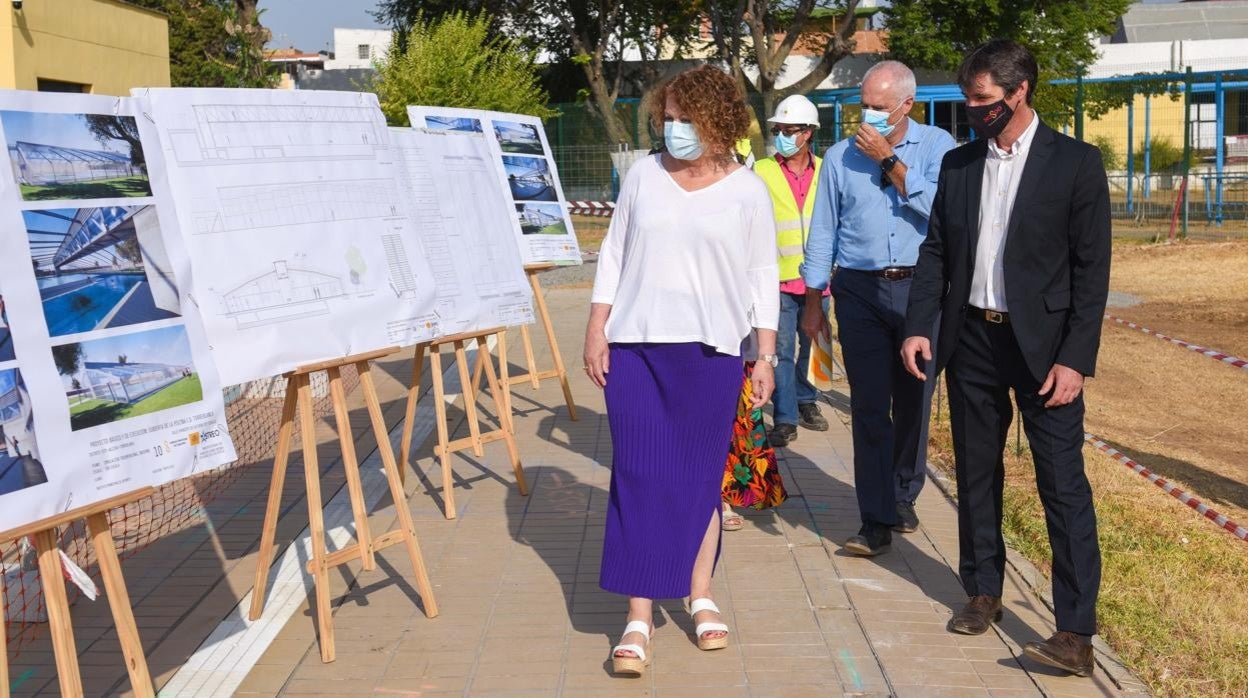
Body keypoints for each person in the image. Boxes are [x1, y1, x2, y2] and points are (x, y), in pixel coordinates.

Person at [900, 39, 1111, 677]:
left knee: (1062, 487)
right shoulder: (962, 166)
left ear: (1019, 93)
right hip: (973, 344)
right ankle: (982, 591)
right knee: (976, 475)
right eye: (968, 99)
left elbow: (1090, 271)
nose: (973, 110)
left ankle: (1074, 633)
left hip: (1046, 355)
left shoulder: (1074, 163)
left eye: (983, 100)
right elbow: (936, 250)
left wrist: (1074, 360)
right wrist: (918, 326)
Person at [584, 64, 780, 677]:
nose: (671, 130)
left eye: (682, 119)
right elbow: (614, 253)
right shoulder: (643, 177)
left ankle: (699, 595)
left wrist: (765, 355)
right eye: (665, 119)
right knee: (639, 475)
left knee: (698, 482)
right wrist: (595, 326)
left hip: (714, 353)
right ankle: (638, 616)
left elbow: (762, 276)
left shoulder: (747, 190)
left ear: (716, 120)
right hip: (637, 349)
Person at [800, 61, 956, 555]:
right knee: (869, 406)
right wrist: (813, 300)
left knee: (914, 399)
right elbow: (823, 230)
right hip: (860, 290)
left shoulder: (938, 147)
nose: (868, 116)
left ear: (908, 105)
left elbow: (943, 213)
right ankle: (875, 518)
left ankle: (904, 490)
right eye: (862, 106)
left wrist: (889, 160)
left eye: (879, 107)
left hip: (920, 290)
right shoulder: (840, 157)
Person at [753, 95, 830, 448]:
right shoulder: (762, 171)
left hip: (819, 279)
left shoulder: (828, 169)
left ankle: (807, 400)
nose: (782, 135)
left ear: (809, 133)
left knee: (817, 345)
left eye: (790, 130)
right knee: (781, 349)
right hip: (777, 279)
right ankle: (785, 417)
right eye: (779, 130)